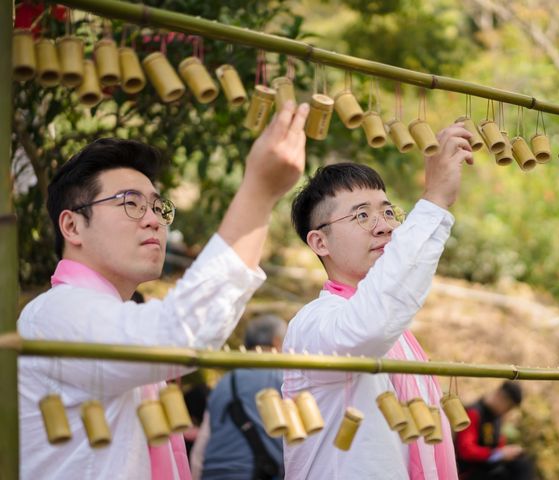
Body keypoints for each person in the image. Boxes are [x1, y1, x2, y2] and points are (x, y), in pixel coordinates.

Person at [18, 101, 310, 479]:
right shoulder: (56, 313)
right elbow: (178, 334)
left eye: (158, 207)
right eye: (131, 204)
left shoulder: (108, 316)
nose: (155, 221)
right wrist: (258, 192)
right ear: (72, 227)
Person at [282, 122, 474, 479]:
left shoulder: (399, 336)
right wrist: (434, 202)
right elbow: (368, 326)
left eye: (388, 212)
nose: (384, 226)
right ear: (319, 243)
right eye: (361, 215)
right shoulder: (314, 322)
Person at [191, 314, 287, 480]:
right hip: (257, 473)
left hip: (212, 474)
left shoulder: (225, 382)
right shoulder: (283, 379)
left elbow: (201, 447)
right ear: (278, 342)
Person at [455, 381, 534, 480]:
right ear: (502, 398)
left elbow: (496, 444)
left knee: (521, 463)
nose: (507, 412)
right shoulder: (474, 412)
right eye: (508, 407)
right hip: (470, 471)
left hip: (488, 467)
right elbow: (465, 450)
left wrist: (507, 452)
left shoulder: (496, 418)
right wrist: (498, 454)